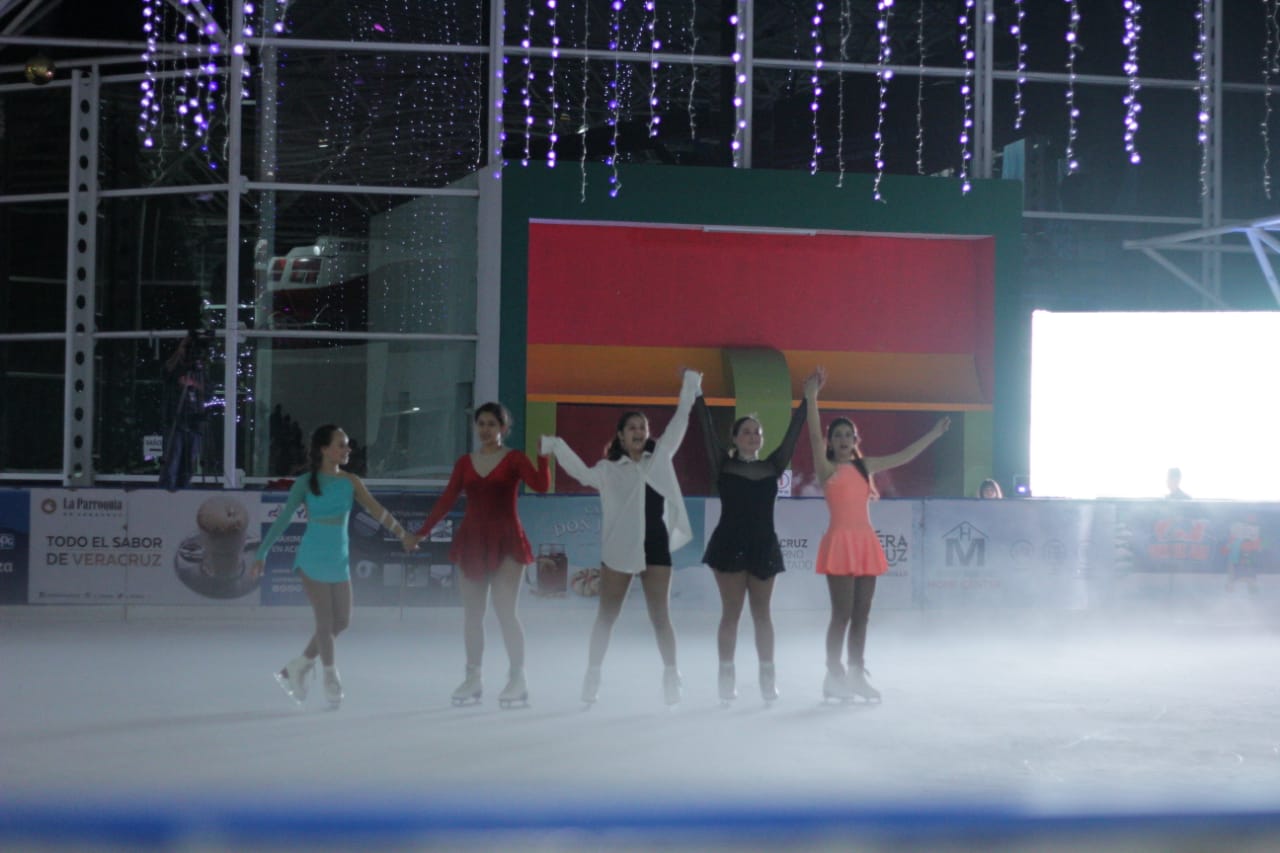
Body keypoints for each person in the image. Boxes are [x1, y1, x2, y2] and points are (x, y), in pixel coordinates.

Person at [540, 368, 702, 706]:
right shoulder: (608, 470)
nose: (639, 432)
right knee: (607, 616)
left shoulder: (659, 459)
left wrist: (690, 388)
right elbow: (582, 473)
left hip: (656, 546)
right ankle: (593, 674)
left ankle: (672, 674)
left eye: (643, 427)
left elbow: (678, 425)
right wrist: (556, 445)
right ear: (620, 435)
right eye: (632, 428)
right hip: (619, 550)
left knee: (661, 617)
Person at [804, 366, 950, 703]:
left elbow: (903, 456)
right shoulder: (826, 468)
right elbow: (813, 436)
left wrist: (933, 435)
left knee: (862, 615)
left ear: (855, 441)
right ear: (831, 441)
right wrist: (811, 398)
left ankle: (856, 673)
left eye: (848, 435)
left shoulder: (863, 467)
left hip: (865, 542)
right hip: (840, 543)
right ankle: (833, 674)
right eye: (837, 435)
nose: (843, 440)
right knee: (841, 615)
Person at [251, 424, 417, 709]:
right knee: (325, 623)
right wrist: (261, 553)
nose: (347, 449)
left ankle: (299, 666)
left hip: (338, 558)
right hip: (312, 557)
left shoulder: (351, 481)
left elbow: (376, 509)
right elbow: (283, 520)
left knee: (342, 621)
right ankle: (330, 677)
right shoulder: (306, 482)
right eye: (340, 445)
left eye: (347, 444)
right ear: (324, 450)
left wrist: (403, 533)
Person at [413, 402, 550, 708]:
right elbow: (447, 499)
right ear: (475, 427)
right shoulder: (465, 463)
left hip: (507, 541)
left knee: (505, 612)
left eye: (492, 423)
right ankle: (473, 677)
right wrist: (422, 532)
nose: (486, 429)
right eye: (481, 423)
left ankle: (517, 678)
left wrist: (542, 457)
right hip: (472, 542)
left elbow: (541, 485)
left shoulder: (514, 459)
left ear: (504, 428)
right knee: (472, 615)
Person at [694, 378, 810, 704]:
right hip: (729, 544)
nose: (752, 435)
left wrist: (807, 397)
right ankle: (726, 676)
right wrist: (697, 391)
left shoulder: (772, 465)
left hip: (763, 544)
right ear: (734, 438)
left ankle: (767, 677)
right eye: (746, 431)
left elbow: (794, 433)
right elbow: (703, 426)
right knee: (731, 614)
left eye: (757, 432)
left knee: (763, 614)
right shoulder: (724, 464)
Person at [159, 329, 211, 489]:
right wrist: (181, 348)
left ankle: (184, 490)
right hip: (176, 423)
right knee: (172, 461)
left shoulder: (200, 370)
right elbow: (166, 371)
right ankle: (168, 492)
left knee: (189, 463)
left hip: (194, 424)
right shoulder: (176, 369)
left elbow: (209, 390)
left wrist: (193, 384)